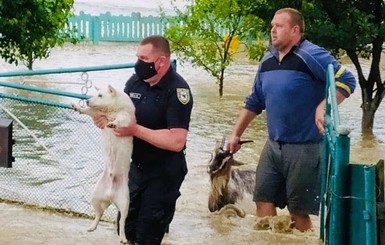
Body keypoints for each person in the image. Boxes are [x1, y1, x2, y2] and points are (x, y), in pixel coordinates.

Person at [228, 8, 356, 232]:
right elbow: (255, 101)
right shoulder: (267, 60)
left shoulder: (311, 55)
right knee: (262, 200)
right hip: (273, 146)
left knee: (298, 213)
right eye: (271, 26)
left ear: (295, 30)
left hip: (305, 147)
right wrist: (236, 134)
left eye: (278, 26)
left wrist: (323, 105)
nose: (272, 30)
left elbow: (346, 79)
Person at [93, 35, 193, 244]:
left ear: (162, 61)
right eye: (137, 57)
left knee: (148, 234)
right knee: (126, 231)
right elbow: (119, 113)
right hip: (135, 169)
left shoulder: (177, 90)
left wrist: (135, 130)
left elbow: (177, 141)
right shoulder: (135, 82)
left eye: (144, 58)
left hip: (164, 172)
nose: (139, 63)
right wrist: (105, 120)